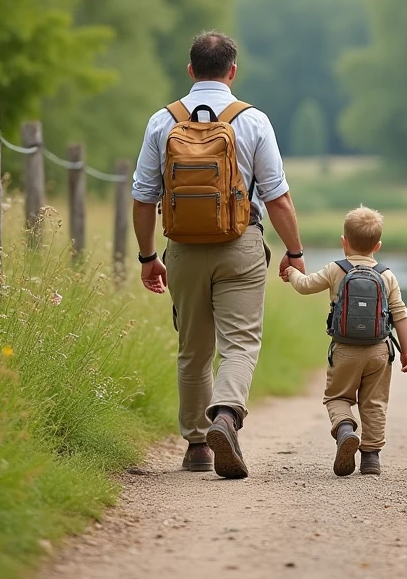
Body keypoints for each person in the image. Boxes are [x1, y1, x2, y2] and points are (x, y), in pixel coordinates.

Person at [131, 30, 306, 479]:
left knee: (193, 350)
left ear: (190, 70)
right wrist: (294, 251)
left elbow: (142, 196)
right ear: (233, 70)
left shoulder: (161, 121)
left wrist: (149, 257)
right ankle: (225, 417)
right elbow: (278, 197)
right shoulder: (253, 120)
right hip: (240, 245)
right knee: (240, 343)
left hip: (183, 250)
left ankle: (196, 446)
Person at [281, 206, 407, 477]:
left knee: (338, 396)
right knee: (374, 402)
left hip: (344, 350)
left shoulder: (335, 270)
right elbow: (400, 314)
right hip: (379, 351)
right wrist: (406, 352)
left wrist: (292, 273)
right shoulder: (387, 275)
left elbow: (305, 285)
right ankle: (371, 460)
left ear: (344, 242)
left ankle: (345, 429)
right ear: (377, 245)